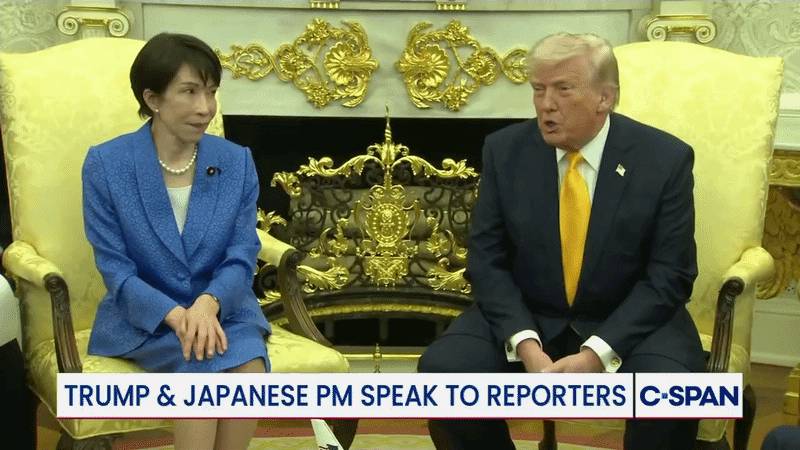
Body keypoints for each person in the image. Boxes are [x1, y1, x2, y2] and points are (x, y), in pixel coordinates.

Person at [418, 32, 705, 450]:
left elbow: (671, 276)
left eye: (563, 89)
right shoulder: (504, 151)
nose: (545, 104)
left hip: (629, 320)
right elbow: (487, 261)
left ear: (605, 98)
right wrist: (526, 344)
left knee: (672, 391)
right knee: (445, 372)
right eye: (539, 89)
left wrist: (596, 353)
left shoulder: (664, 159)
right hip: (530, 315)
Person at [82, 33, 269, 450]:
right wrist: (176, 315)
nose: (206, 107)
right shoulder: (107, 165)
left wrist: (208, 304)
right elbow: (115, 267)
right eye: (189, 91)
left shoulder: (236, 161)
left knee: (249, 370)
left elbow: (242, 252)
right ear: (153, 99)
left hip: (224, 310)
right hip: (147, 316)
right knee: (200, 369)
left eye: (211, 91)